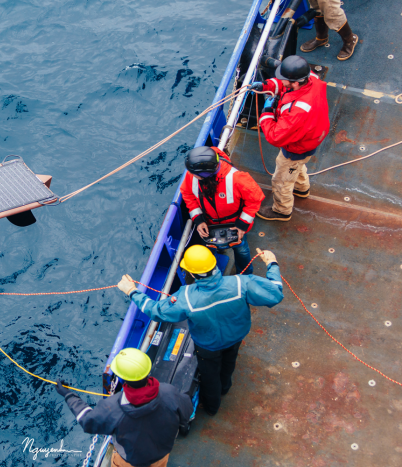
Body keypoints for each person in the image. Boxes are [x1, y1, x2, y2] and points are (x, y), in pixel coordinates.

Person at [117, 245, 283, 415]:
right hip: (236, 337)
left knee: (210, 376)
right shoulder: (241, 283)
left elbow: (156, 311)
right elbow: (275, 293)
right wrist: (272, 263)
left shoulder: (186, 298)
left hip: (208, 347)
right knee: (229, 361)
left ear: (192, 273)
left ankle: (212, 407)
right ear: (214, 266)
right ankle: (225, 387)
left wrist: (132, 291)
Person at [56, 348, 193, 467]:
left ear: (123, 378)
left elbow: (87, 421)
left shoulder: (113, 407)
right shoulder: (169, 392)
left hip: (129, 462)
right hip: (160, 457)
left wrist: (68, 395)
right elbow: (187, 410)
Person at [251, 55, 330, 222]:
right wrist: (267, 86)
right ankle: (302, 188)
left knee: (281, 180)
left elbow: (275, 136)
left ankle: (281, 211)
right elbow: (283, 85)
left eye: (285, 79)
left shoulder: (298, 111)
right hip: (310, 139)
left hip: (297, 147)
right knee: (297, 166)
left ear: (295, 82)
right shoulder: (311, 79)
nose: (282, 81)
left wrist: (266, 113)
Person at [179, 146, 265, 275]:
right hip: (208, 224)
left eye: (193, 173)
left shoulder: (237, 178)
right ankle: (212, 275)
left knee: (242, 251)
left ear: (204, 174)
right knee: (209, 251)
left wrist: (242, 225)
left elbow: (255, 199)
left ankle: (246, 275)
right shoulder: (192, 175)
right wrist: (198, 219)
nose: (190, 174)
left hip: (235, 226)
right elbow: (187, 194)